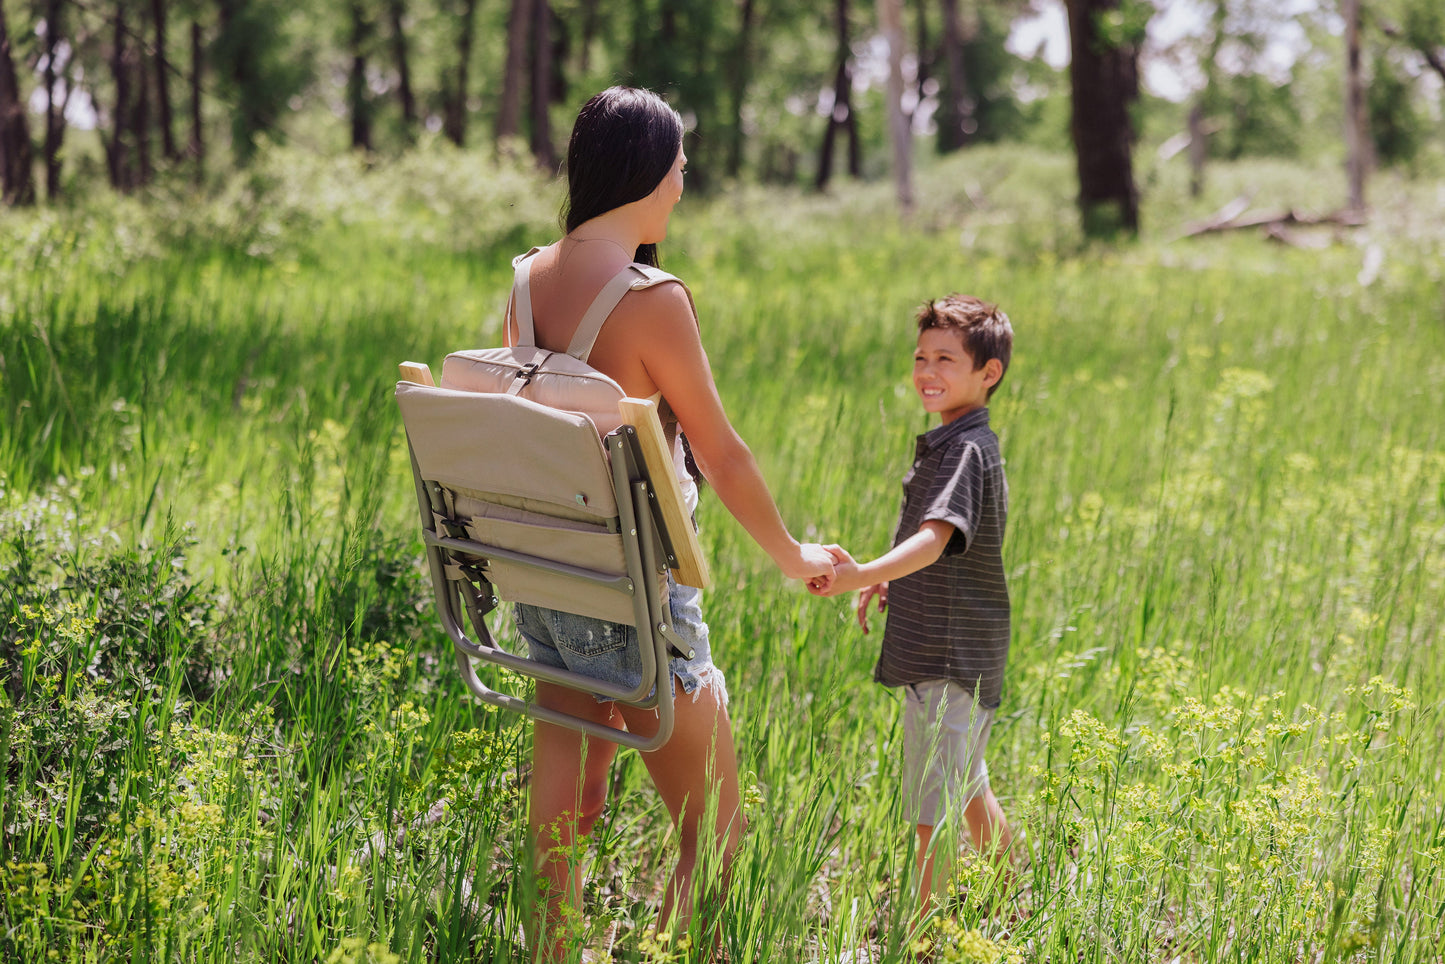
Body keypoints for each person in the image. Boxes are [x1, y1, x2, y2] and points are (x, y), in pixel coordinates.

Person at [508, 86, 836, 962]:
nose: (684, 184)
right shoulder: (651, 299)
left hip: (545, 582)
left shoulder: (524, 278)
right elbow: (720, 454)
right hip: (633, 600)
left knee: (565, 814)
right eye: (680, 166)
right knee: (717, 829)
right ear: (647, 173)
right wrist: (793, 553)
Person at [809, 294, 1016, 924]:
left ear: (988, 373)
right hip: (951, 646)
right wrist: (892, 581)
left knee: (933, 807)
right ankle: (1013, 893)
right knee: (965, 780)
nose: (927, 370)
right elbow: (936, 547)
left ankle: (924, 935)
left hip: (950, 656)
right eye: (921, 356)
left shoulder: (966, 450)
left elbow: (936, 538)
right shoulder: (951, 441)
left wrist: (862, 573)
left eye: (945, 359)